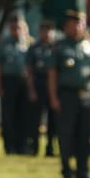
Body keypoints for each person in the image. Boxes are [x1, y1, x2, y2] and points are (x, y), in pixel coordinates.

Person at [48, 10, 90, 178]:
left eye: (81, 23)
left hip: (86, 94)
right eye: (74, 24)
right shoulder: (60, 46)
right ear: (67, 27)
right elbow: (52, 74)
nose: (78, 27)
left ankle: (83, 169)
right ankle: (66, 168)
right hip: (67, 94)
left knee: (85, 134)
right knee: (66, 133)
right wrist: (54, 97)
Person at [0, 15, 31, 155]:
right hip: (8, 81)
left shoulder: (28, 43)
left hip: (25, 82)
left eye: (19, 27)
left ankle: (22, 145)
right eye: (14, 28)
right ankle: (9, 146)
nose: (17, 30)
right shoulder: (4, 43)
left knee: (24, 115)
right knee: (9, 115)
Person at [26, 20, 57, 156]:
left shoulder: (57, 47)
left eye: (49, 30)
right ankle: (34, 147)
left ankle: (50, 147)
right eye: (44, 30)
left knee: (53, 119)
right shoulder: (34, 48)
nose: (47, 33)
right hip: (39, 84)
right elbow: (29, 70)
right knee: (35, 119)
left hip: (53, 85)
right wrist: (31, 89)